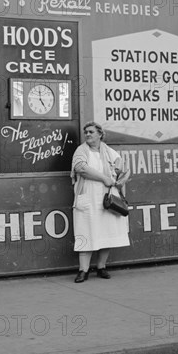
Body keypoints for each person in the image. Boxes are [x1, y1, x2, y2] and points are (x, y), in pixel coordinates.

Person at [70, 121, 130, 283]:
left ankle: (101, 267)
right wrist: (104, 177)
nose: (88, 134)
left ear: (100, 134)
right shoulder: (81, 151)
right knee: (86, 232)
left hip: (106, 200)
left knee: (105, 233)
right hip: (88, 196)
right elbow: (81, 168)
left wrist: (117, 176)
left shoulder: (109, 152)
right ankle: (83, 270)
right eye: (86, 132)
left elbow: (122, 170)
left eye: (91, 132)